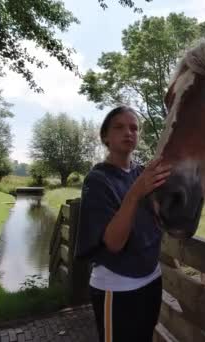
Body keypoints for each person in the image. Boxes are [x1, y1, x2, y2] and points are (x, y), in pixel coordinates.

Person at [74, 105, 171, 342]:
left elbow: (159, 219)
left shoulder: (142, 173)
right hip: (116, 287)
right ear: (105, 136)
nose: (128, 132)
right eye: (119, 127)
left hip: (151, 279)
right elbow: (114, 243)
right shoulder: (98, 180)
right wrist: (135, 193)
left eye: (134, 128)